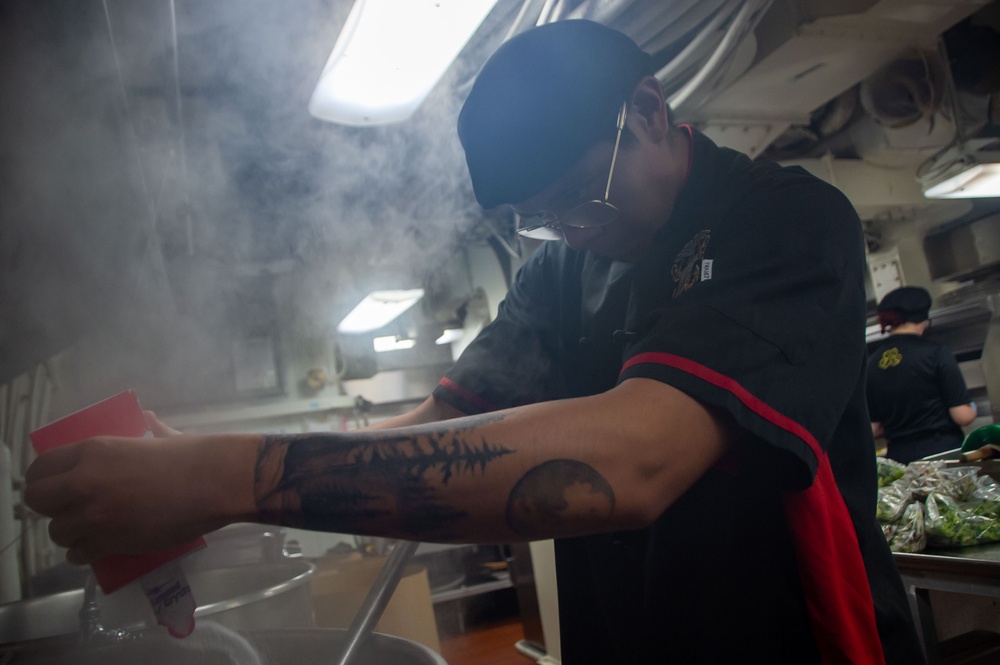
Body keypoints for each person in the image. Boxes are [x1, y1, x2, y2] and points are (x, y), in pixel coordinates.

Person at [25, 20, 923, 664]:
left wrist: (222, 477)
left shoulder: (786, 222)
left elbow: (635, 460)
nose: (568, 229)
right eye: (537, 219)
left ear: (650, 111)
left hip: (794, 636)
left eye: (581, 196)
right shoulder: (560, 272)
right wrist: (206, 480)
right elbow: (431, 427)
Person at [867, 286, 977, 464]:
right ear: (923, 318)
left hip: (901, 461)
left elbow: (874, 428)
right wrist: (972, 407)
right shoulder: (935, 352)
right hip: (943, 456)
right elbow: (963, 416)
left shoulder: (872, 363)